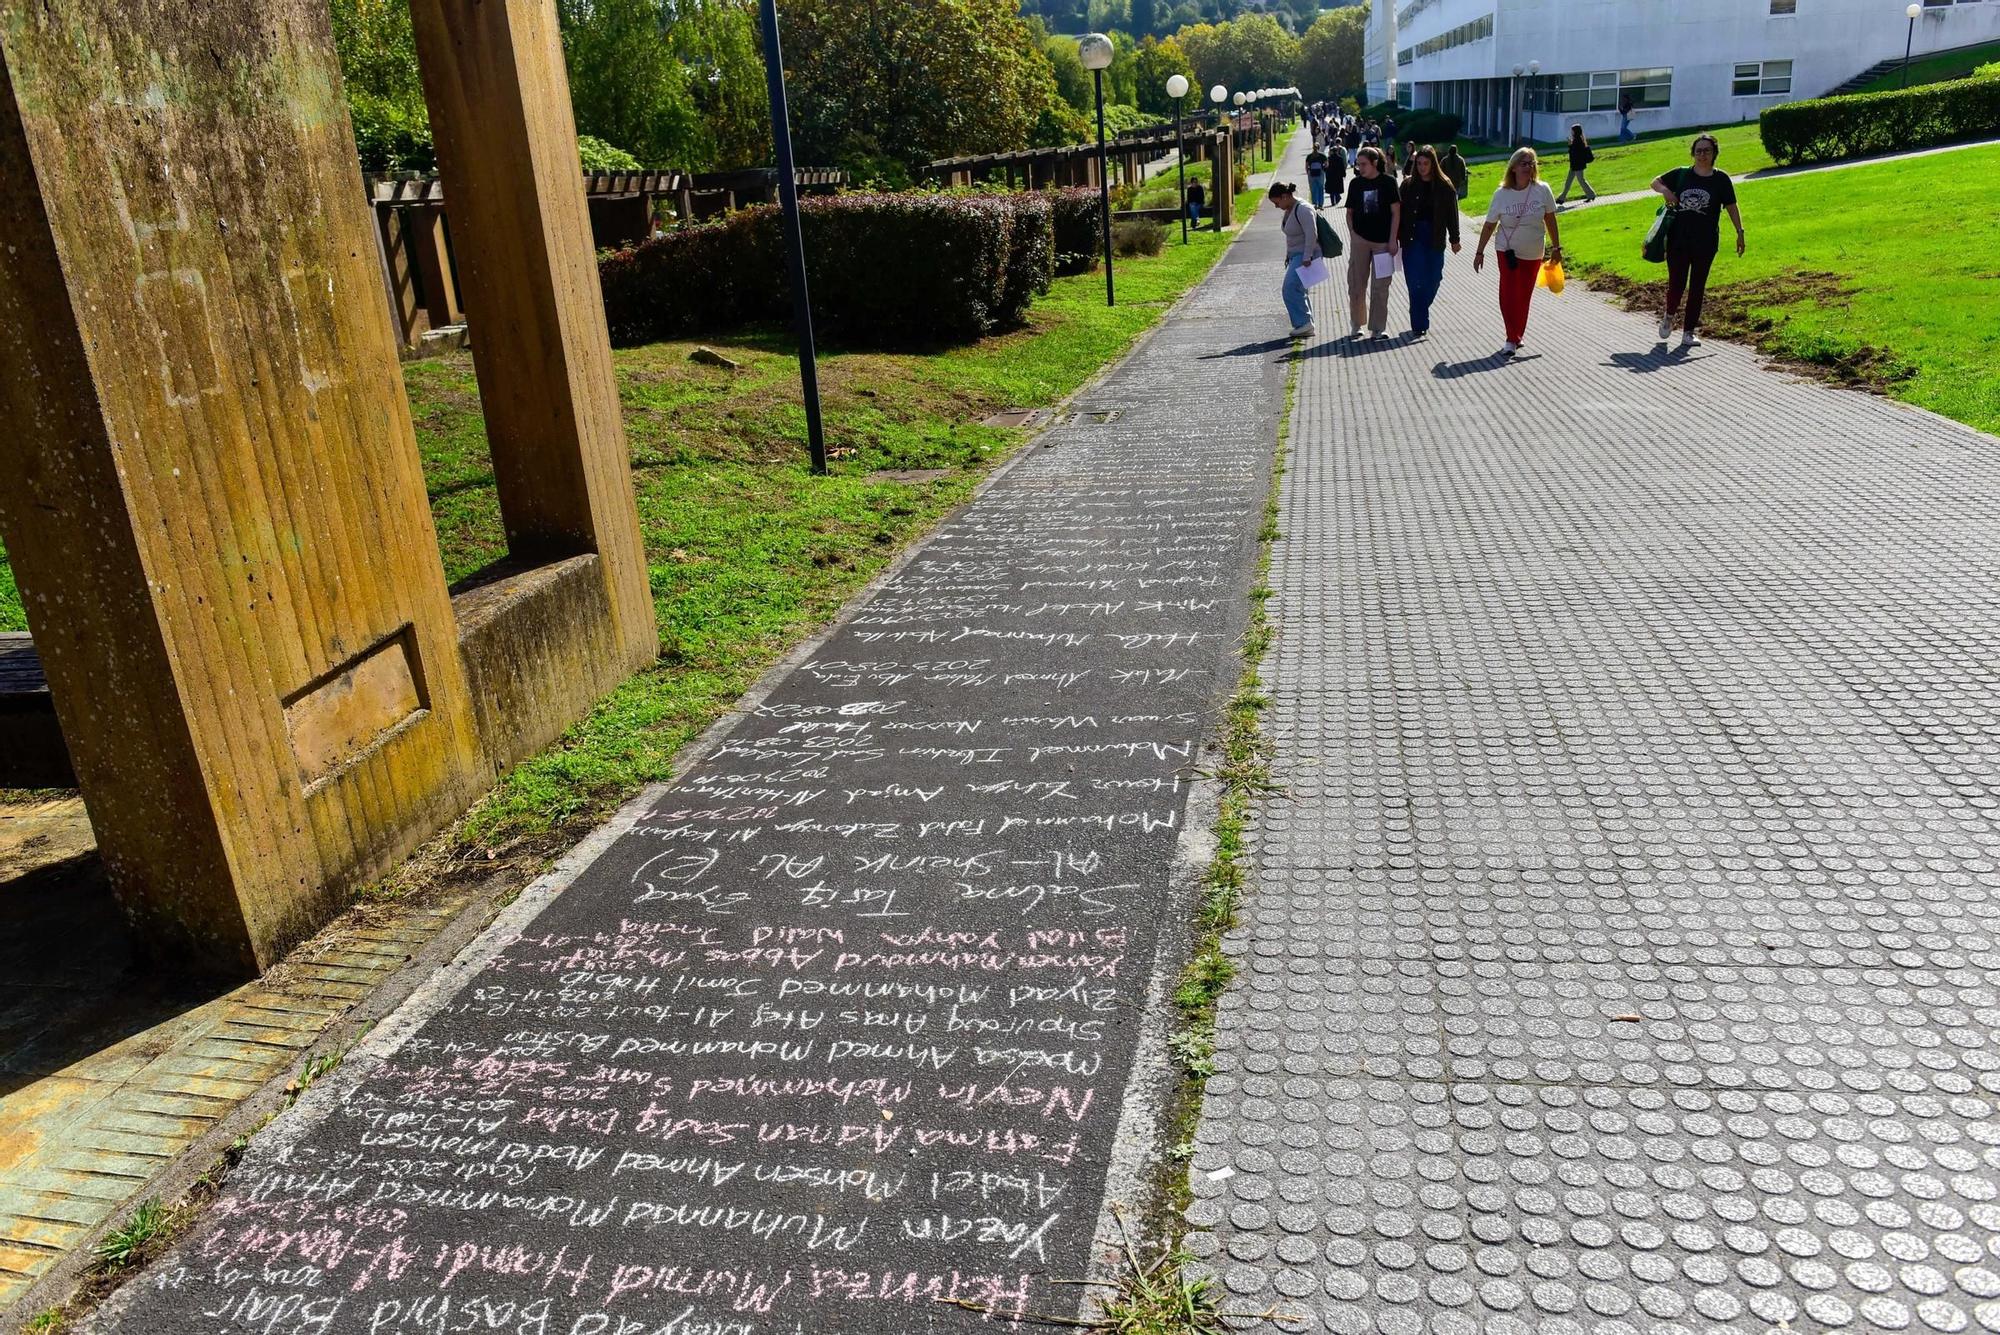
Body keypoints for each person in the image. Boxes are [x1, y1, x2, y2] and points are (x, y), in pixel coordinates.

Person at [1650, 132, 1744, 348]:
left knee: (1697, 286)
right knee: (1677, 283)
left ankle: (1689, 332)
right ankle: (1669, 315)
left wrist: (1740, 232)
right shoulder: (1682, 174)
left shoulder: (1721, 179)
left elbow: (1731, 206)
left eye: (1707, 151)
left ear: (1714, 154)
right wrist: (1666, 192)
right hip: (1678, 240)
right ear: (1693, 153)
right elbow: (1655, 182)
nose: (1702, 155)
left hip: (1706, 242)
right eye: (1699, 150)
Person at [1473, 147, 1561, 357]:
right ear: (1513, 167)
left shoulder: (1542, 190)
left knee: (1523, 296)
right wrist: (1479, 252)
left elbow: (1550, 218)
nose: (1529, 167)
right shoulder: (1501, 194)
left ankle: (1517, 335)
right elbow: (1489, 225)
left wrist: (1556, 247)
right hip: (1507, 250)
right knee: (1508, 293)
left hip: (1533, 251)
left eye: (1532, 163)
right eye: (1524, 163)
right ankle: (1511, 338)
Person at [1399, 146, 1461, 339]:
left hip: (1434, 237)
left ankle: (1419, 307)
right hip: (1412, 236)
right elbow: (1397, 213)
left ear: (1433, 164)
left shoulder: (1444, 185)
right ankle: (1419, 323)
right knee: (1415, 281)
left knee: (1434, 278)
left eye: (1426, 163)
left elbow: (1452, 213)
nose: (1422, 167)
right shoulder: (1408, 185)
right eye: (1418, 164)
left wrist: (1455, 239)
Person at [1343, 146, 1400, 339]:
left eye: (1363, 164)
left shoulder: (1389, 182)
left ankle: (1378, 328)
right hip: (1360, 240)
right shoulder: (1355, 184)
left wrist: (1393, 240)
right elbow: (1349, 213)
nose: (1360, 168)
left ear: (1375, 163)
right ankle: (1356, 324)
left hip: (1383, 242)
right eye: (1358, 164)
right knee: (1356, 284)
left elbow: (1396, 213)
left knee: (1381, 286)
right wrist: (1353, 234)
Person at [1271, 181, 1323, 340]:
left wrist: (1307, 256)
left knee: (1290, 288)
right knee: (1299, 289)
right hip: (1297, 256)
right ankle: (1306, 323)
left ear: (1285, 196)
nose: (1276, 206)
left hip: (1305, 256)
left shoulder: (1303, 209)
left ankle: (1304, 323)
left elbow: (1311, 234)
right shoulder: (1290, 209)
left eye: (1277, 202)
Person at [1557, 124, 1597, 204]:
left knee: (1581, 180)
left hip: (1577, 165)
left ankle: (1591, 195)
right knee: (1569, 182)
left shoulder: (1577, 140)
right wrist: (1571, 144)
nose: (1571, 132)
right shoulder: (1579, 139)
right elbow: (1575, 151)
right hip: (1575, 164)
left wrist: (1570, 144)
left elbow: (1574, 152)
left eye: (1572, 130)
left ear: (1575, 131)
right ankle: (1561, 198)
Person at [1305, 143, 1329, 208]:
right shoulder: (1322, 155)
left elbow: (1306, 166)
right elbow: (1326, 164)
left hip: (1311, 174)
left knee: (1313, 189)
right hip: (1320, 173)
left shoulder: (1309, 156)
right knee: (1321, 189)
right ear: (1319, 148)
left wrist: (1308, 172)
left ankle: (1314, 204)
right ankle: (1321, 204)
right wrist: (1323, 168)